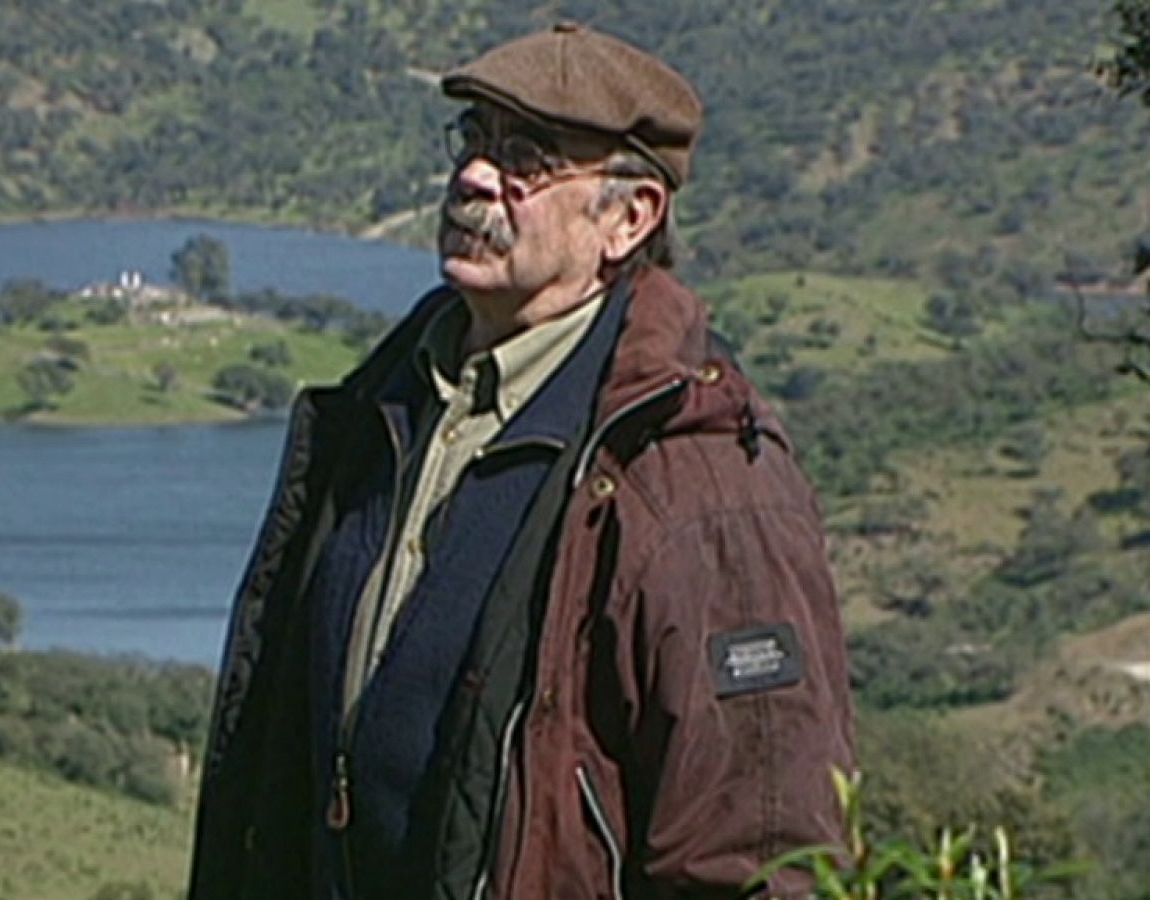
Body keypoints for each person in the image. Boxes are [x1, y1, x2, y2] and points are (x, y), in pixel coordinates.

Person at [188, 22, 854, 900]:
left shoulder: (701, 480)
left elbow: (758, 852)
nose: (473, 176)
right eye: (474, 140)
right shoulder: (388, 406)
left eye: (526, 160)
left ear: (629, 218)